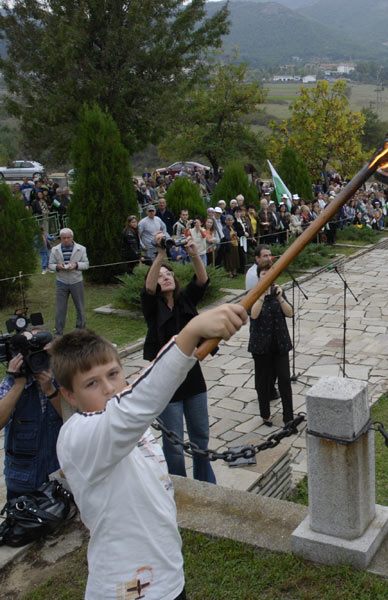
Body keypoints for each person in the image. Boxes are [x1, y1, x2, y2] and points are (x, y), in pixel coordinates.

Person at [52, 304, 246, 600]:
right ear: (69, 395)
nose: (109, 388)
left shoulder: (132, 425)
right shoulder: (77, 437)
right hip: (125, 589)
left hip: (168, 577)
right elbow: (131, 408)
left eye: (113, 374)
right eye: (92, 383)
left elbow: (132, 405)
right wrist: (191, 332)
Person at [141, 233, 216, 483]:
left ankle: (206, 485)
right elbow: (149, 288)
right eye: (161, 275)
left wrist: (194, 254)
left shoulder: (185, 300)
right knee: (173, 444)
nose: (166, 277)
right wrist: (160, 254)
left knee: (200, 436)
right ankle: (179, 489)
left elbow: (202, 280)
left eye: (169, 273)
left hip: (193, 378)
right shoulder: (152, 308)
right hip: (166, 383)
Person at [1, 348, 63, 502]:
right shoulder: (9, 384)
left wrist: (50, 390)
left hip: (58, 473)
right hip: (22, 479)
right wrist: (18, 384)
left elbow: (73, 419)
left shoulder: (59, 380)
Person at [249, 262, 294, 427]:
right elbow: (253, 315)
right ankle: (265, 415)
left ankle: (288, 417)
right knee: (263, 382)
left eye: (270, 275)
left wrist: (280, 297)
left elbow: (290, 313)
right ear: (259, 277)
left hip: (279, 343)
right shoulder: (252, 294)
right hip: (261, 346)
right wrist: (262, 295)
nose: (267, 278)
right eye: (263, 275)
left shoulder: (279, 292)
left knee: (284, 380)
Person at [48, 228, 89, 337]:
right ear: (60, 238)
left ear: (72, 238)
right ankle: (58, 333)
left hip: (76, 281)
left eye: (68, 238)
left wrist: (76, 265)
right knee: (60, 309)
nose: (66, 240)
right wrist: (57, 266)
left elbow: (86, 264)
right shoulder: (55, 250)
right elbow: (50, 265)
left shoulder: (81, 249)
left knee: (80, 307)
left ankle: (80, 330)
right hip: (61, 282)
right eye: (63, 238)